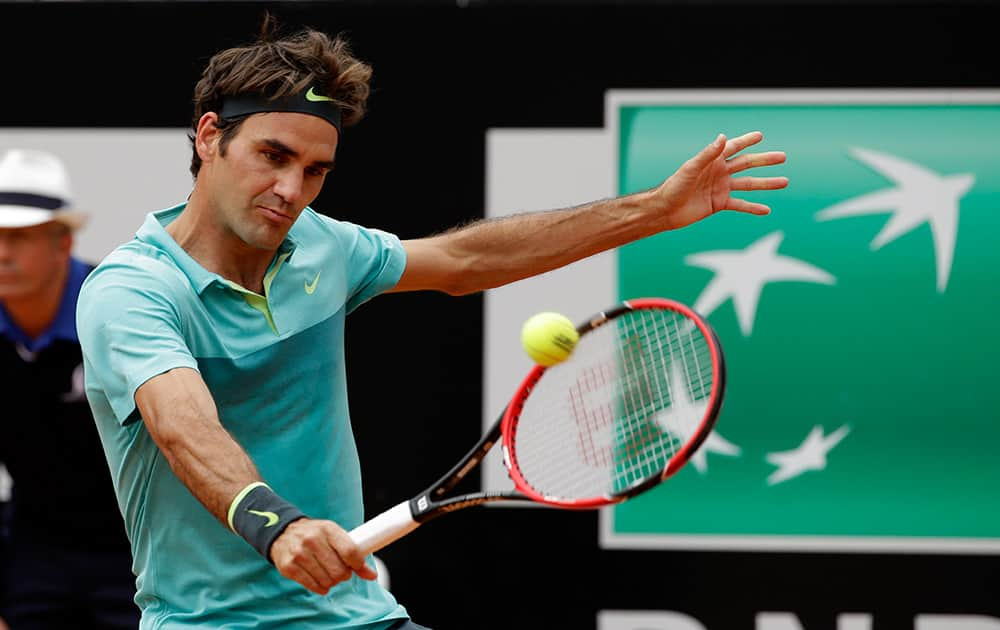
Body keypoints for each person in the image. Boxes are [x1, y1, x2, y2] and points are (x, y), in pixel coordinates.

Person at [74, 14, 789, 630]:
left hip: (357, 615)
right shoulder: (133, 290)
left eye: (316, 170)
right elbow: (183, 426)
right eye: (273, 156)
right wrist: (276, 525)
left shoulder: (325, 248)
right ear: (208, 137)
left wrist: (654, 212)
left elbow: (465, 258)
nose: (291, 190)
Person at [0, 148, 140, 629]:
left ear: (63, 243)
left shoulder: (121, 311)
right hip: (31, 545)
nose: (2, 252)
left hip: (141, 546)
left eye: (18, 237)